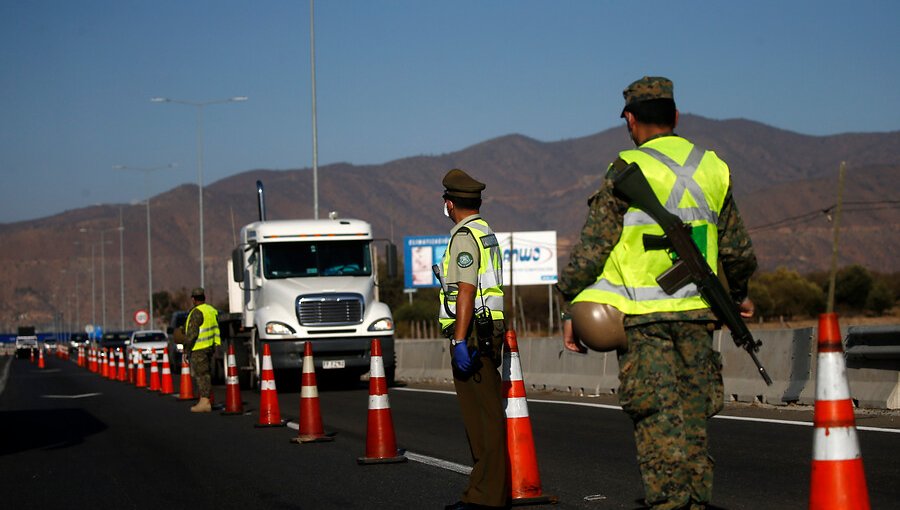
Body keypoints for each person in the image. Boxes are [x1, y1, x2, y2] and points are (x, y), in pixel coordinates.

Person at [556, 77, 757, 510]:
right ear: (676, 116)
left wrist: (568, 304)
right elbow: (738, 250)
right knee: (693, 420)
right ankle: (696, 503)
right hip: (700, 315)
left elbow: (593, 249)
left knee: (657, 422)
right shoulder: (713, 167)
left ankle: (669, 504)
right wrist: (737, 294)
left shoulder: (626, 169)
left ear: (630, 119)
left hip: (645, 321)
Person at [437, 169, 509, 510]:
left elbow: (465, 291)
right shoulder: (485, 231)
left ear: (450, 204)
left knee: (482, 419)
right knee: (488, 416)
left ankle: (485, 498)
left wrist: (459, 340)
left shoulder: (464, 237)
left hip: (474, 335)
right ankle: (485, 492)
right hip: (488, 330)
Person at [184, 287, 221, 413]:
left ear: (193, 299)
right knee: (206, 373)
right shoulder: (211, 310)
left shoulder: (197, 312)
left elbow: (192, 334)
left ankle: (205, 402)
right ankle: (207, 400)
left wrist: (186, 349)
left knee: (201, 375)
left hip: (199, 348)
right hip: (210, 346)